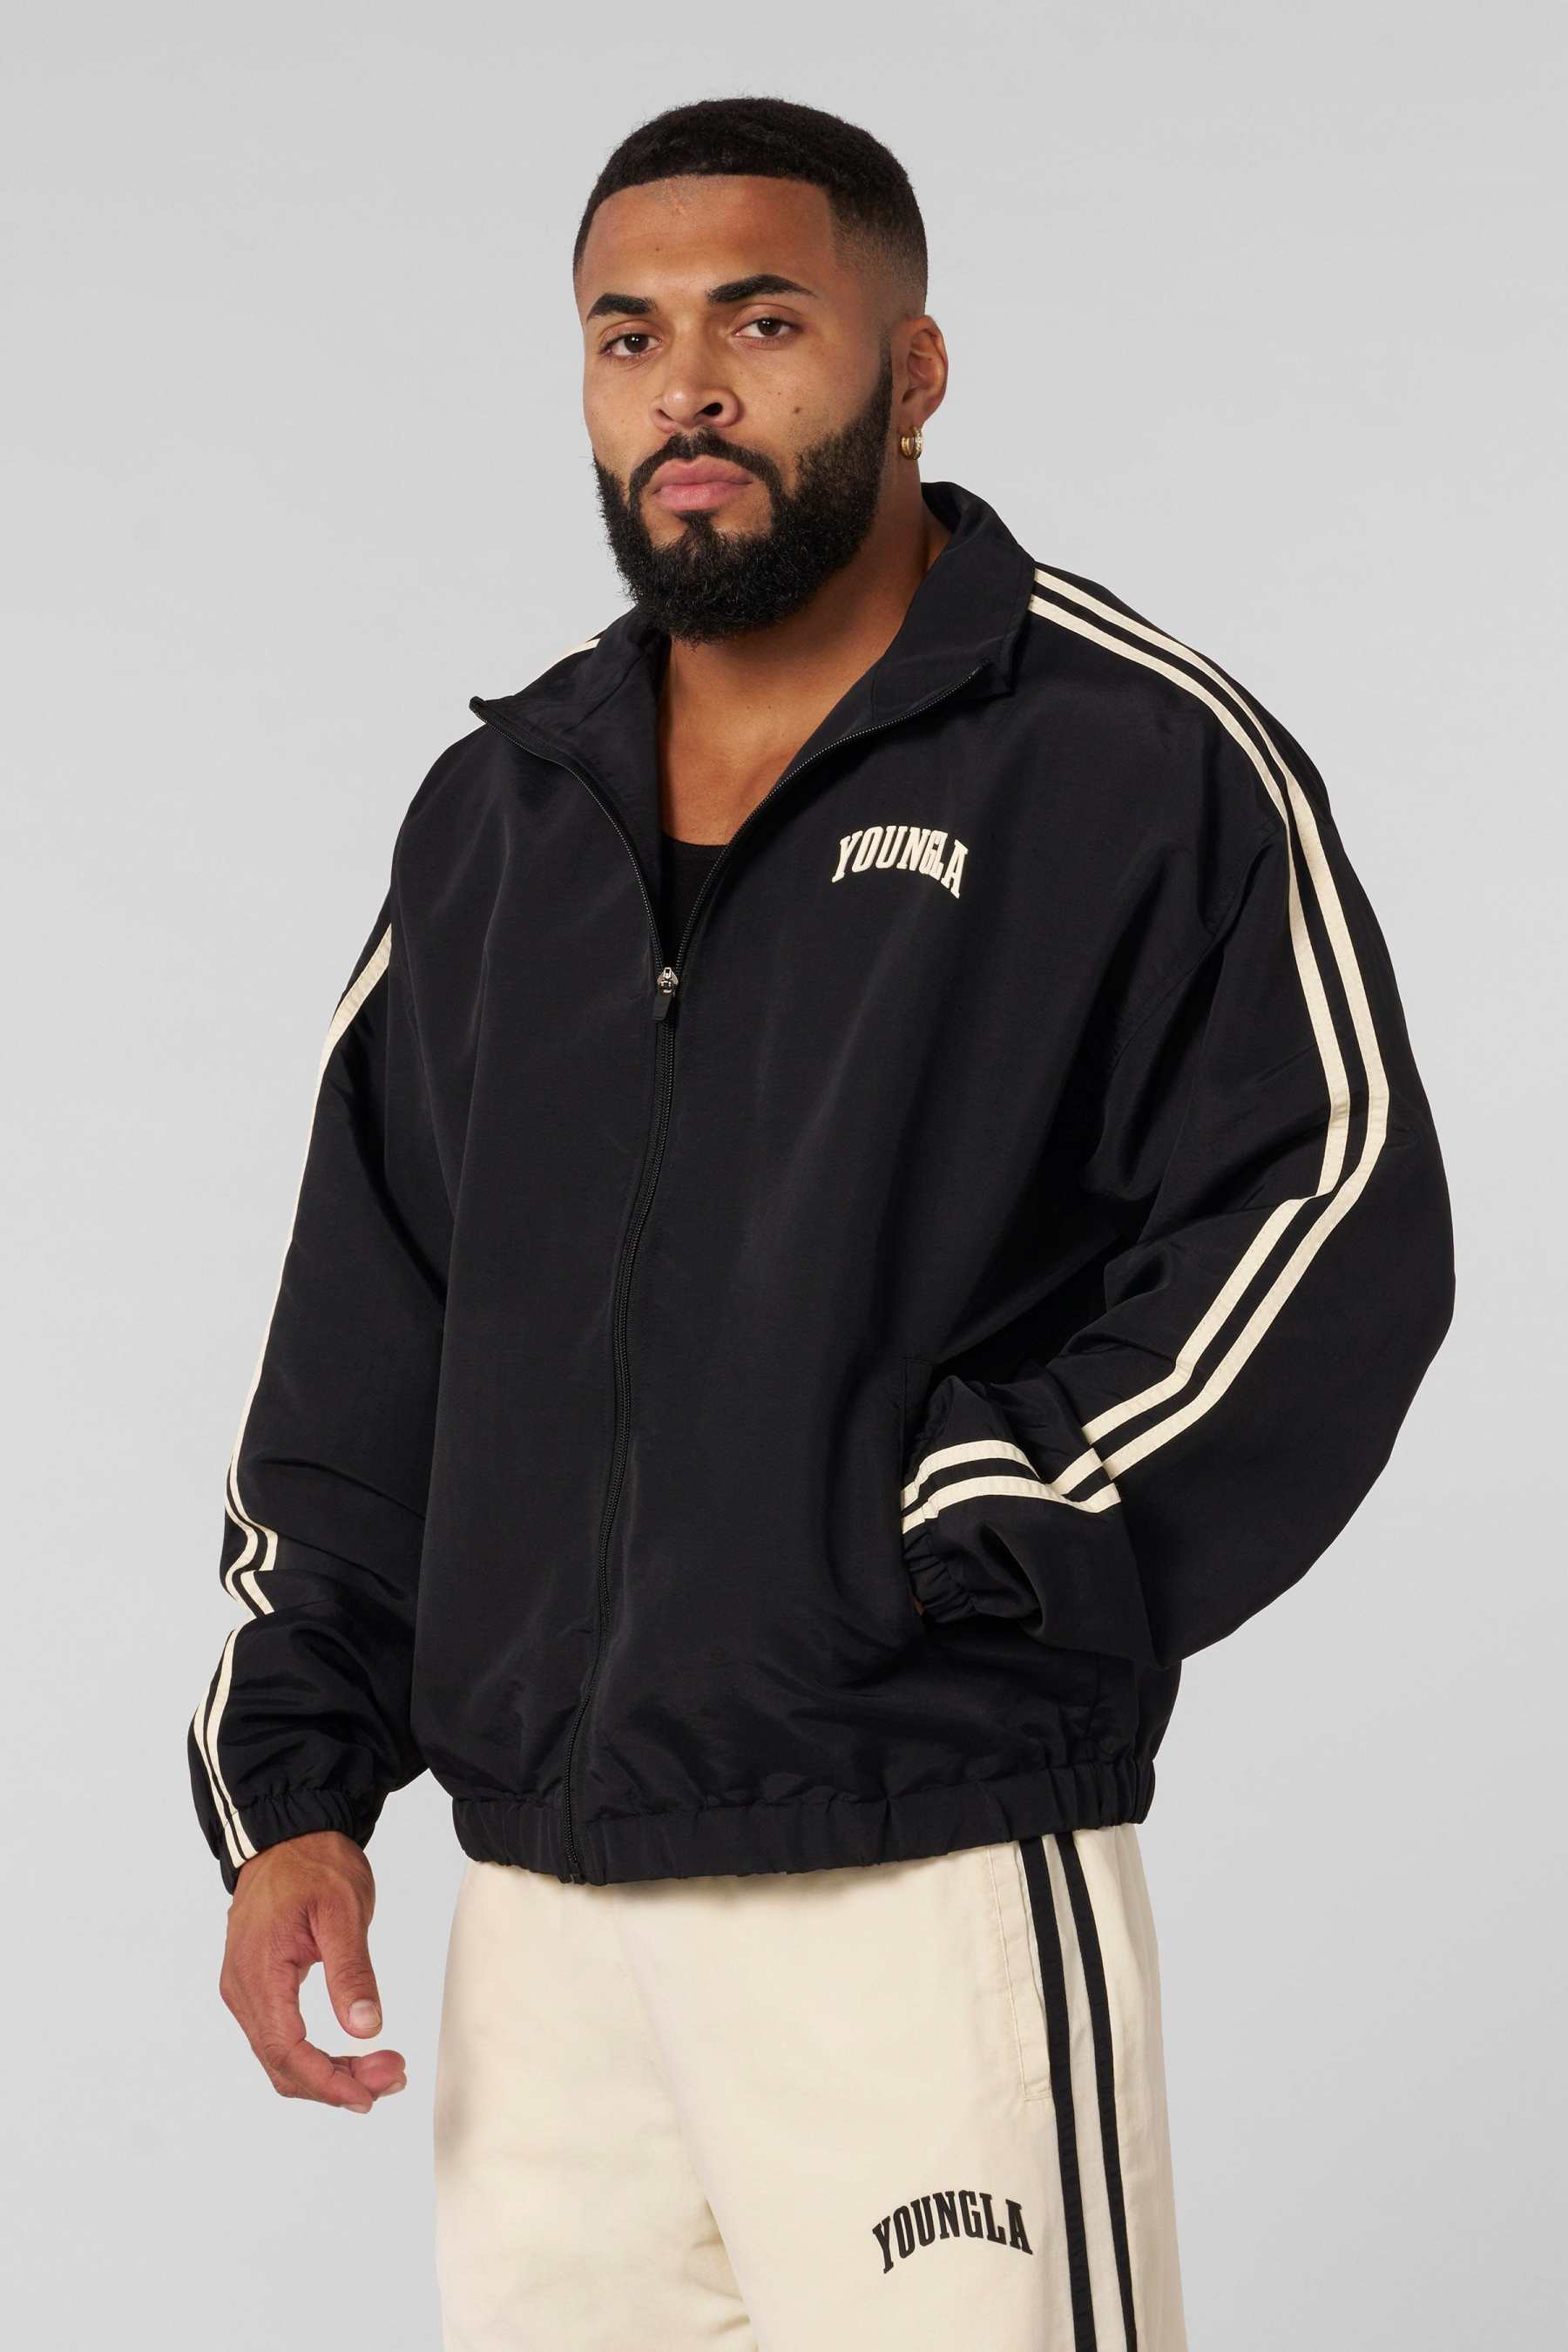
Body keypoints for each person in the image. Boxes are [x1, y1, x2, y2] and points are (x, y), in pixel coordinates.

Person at [187, 93, 1456, 2350]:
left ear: (913, 366)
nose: (685, 389)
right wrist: (294, 1793)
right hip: (543, 1927)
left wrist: (988, 1523)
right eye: (628, 336)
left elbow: (1331, 1197)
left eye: (760, 324)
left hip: (917, 1870)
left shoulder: (1122, 759)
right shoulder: (502, 819)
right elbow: (368, 1334)